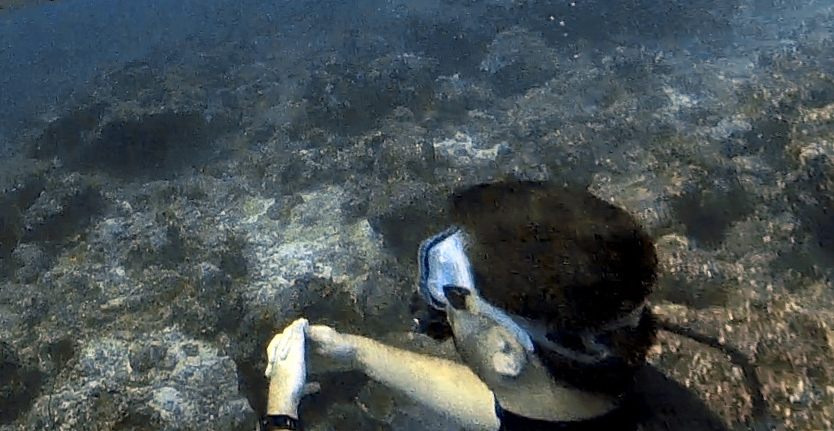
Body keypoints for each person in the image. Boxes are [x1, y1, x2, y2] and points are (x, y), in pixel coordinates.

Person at [262, 180, 733, 430]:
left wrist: (282, 407)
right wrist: (359, 353)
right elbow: (516, 403)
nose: (445, 310)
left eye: (455, 296)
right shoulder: (627, 392)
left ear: (508, 349)